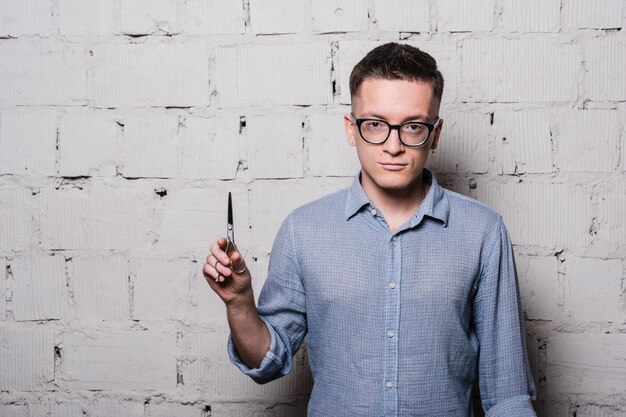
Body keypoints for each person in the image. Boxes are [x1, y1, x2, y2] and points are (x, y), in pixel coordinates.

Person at [203, 42, 537, 417]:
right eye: (375, 124)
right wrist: (240, 304)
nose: (393, 146)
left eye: (412, 127)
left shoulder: (483, 232)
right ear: (351, 128)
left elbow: (508, 395)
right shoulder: (304, 230)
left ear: (435, 133)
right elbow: (268, 362)